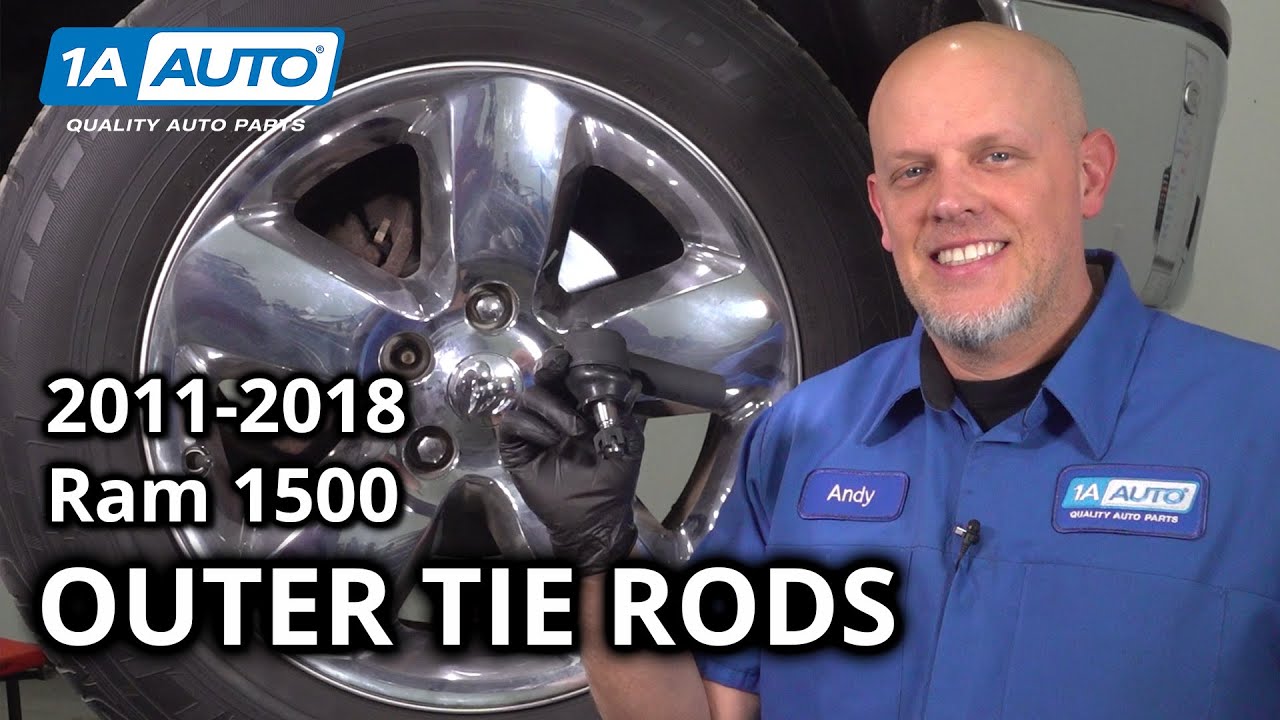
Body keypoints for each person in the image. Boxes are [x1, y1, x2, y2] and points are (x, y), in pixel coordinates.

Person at [498, 20, 1280, 720]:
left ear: (1088, 174)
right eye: (914, 172)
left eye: (997, 156)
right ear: (880, 209)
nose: (950, 202)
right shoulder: (801, 438)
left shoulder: (1260, 428)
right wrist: (600, 556)